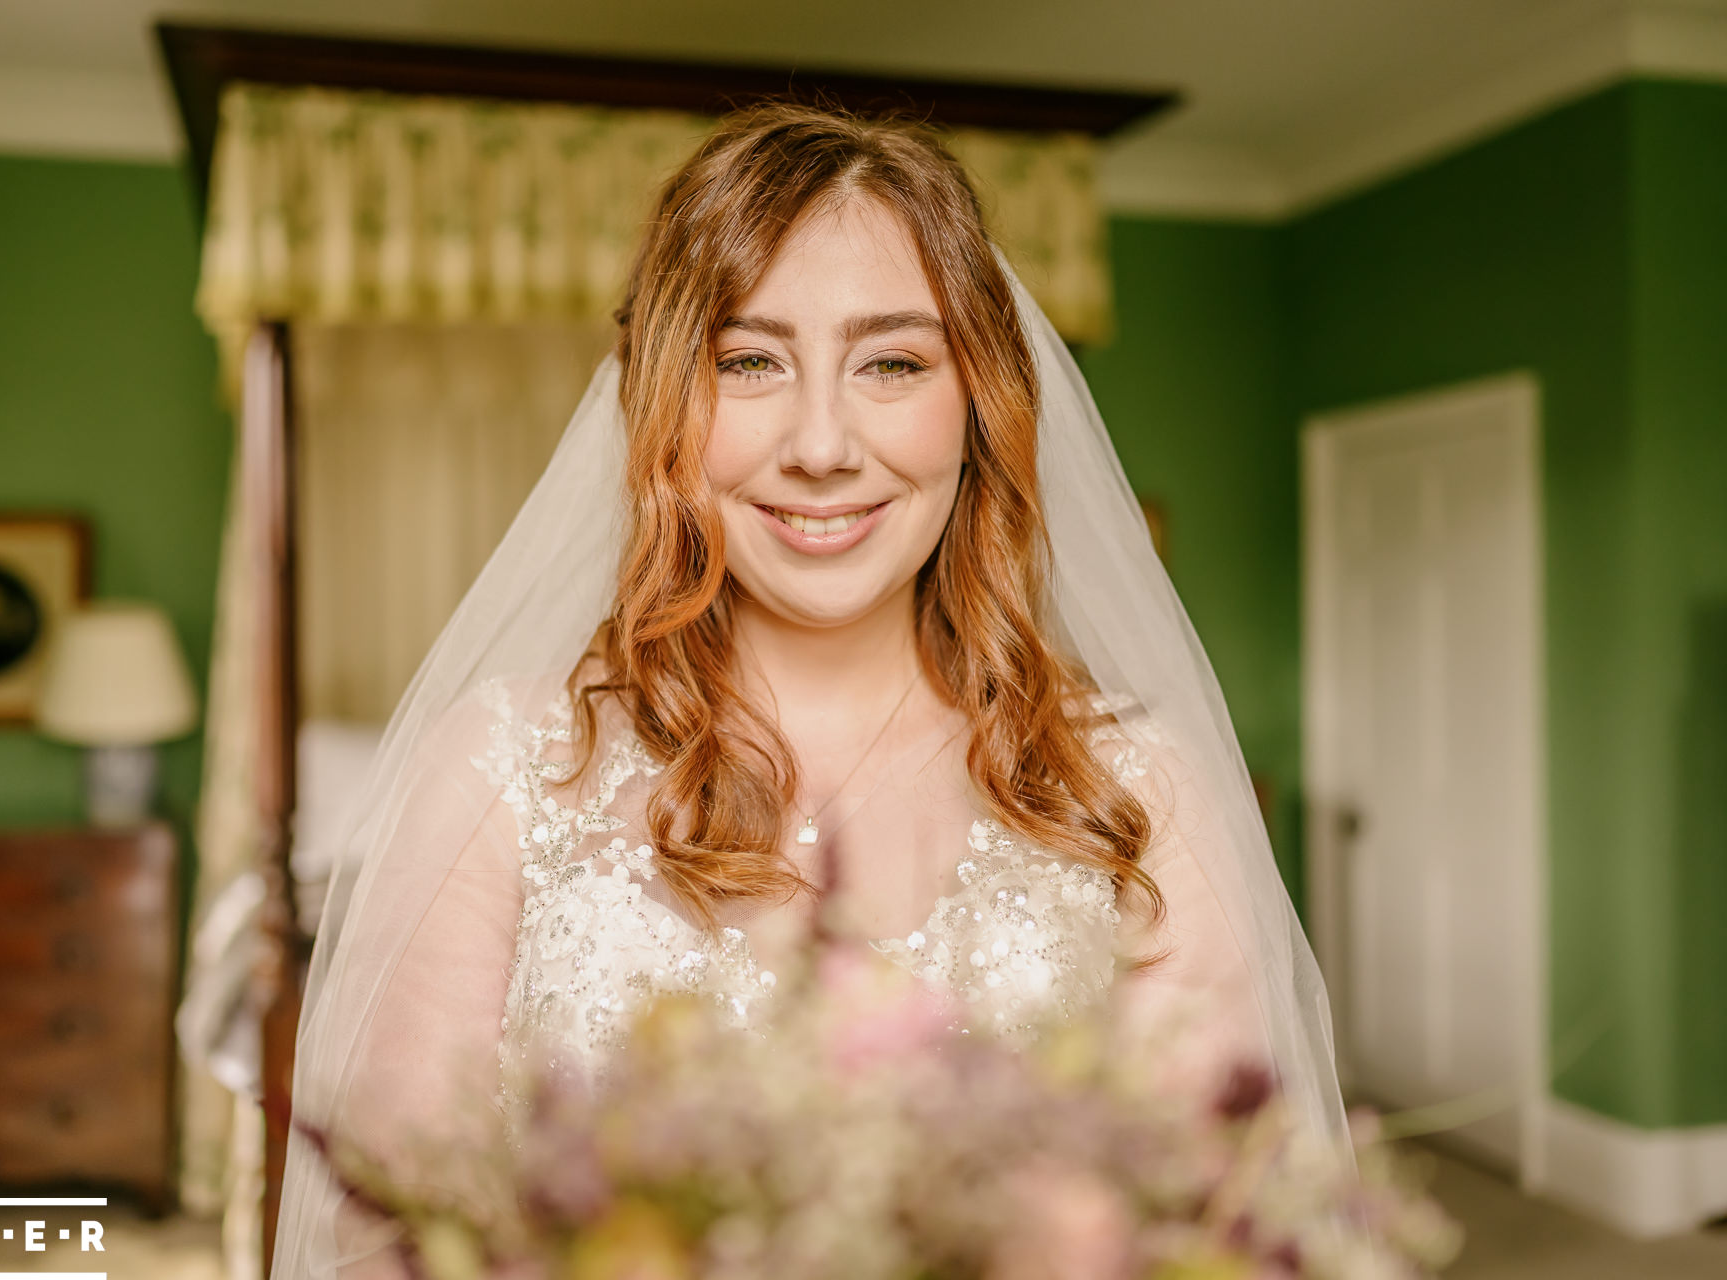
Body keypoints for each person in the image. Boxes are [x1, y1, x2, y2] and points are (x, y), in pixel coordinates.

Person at [273, 103, 1344, 1279]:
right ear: (663, 402)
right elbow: (385, 1239)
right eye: (748, 362)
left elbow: (1221, 1230)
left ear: (979, 398)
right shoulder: (499, 774)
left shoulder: (1134, 795)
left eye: (892, 361)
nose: (823, 442)